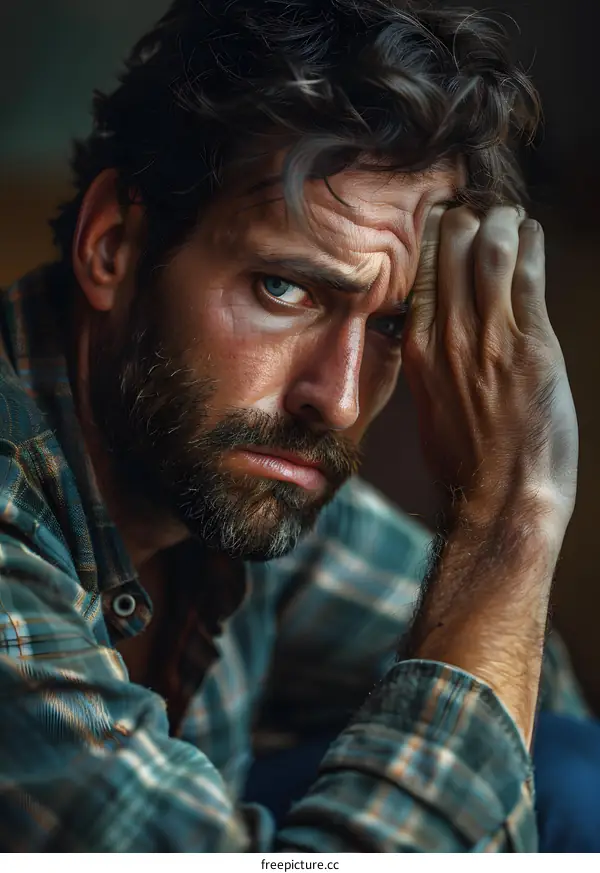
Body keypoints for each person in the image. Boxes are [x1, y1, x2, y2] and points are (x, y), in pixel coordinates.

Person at [0, 0, 593, 853]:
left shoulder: (239, 462)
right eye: (285, 289)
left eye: (391, 325)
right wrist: (509, 524)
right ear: (113, 244)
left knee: (565, 772)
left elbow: (535, 697)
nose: (339, 400)